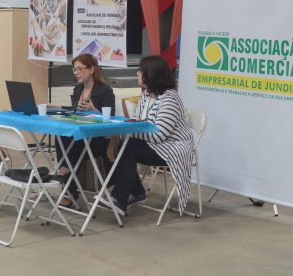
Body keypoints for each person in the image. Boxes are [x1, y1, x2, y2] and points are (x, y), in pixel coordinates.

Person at [106, 56, 194, 215]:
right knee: (124, 143)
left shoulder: (170, 99)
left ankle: (120, 198)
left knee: (128, 146)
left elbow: (159, 135)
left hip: (173, 148)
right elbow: (138, 123)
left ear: (151, 74)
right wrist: (126, 131)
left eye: (140, 71)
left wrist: (128, 131)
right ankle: (135, 193)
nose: (137, 74)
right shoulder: (146, 95)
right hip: (155, 145)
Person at [53, 54, 115, 208]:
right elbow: (75, 111)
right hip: (81, 137)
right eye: (74, 69)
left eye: (80, 69)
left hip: (98, 140)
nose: (76, 73)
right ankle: (66, 176)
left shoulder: (105, 91)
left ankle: (64, 178)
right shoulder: (78, 89)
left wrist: (95, 111)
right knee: (61, 135)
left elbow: (111, 120)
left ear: (91, 69)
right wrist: (57, 107)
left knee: (74, 140)